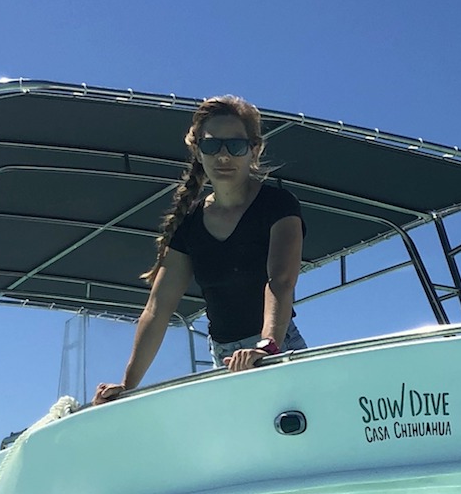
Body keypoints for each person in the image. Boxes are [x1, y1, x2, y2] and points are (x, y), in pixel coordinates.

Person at [93, 95, 306, 404]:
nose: (223, 156)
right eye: (211, 145)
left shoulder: (279, 205)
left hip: (277, 350)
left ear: (254, 149)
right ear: (197, 149)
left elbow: (281, 280)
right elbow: (158, 309)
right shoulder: (190, 223)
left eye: (235, 145)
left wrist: (267, 346)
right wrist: (127, 386)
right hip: (223, 359)